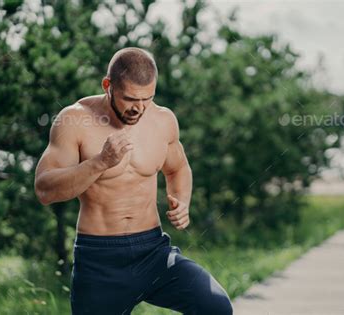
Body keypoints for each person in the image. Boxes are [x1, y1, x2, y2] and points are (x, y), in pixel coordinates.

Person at [34, 47, 233, 315]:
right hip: (99, 259)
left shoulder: (163, 120)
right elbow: (45, 189)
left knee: (215, 306)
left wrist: (182, 201)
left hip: (153, 252)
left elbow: (178, 168)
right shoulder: (75, 119)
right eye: (129, 99)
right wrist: (99, 162)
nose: (138, 108)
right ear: (108, 85)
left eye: (147, 98)